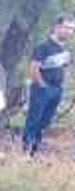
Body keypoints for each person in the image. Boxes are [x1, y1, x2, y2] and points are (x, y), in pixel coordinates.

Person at [23, 15, 74, 155]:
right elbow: (33, 68)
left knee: (45, 121)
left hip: (57, 90)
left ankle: (35, 148)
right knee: (34, 119)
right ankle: (26, 149)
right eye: (67, 27)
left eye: (72, 29)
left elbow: (64, 67)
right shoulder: (43, 47)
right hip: (42, 89)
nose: (69, 31)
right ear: (57, 27)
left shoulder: (64, 50)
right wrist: (43, 85)